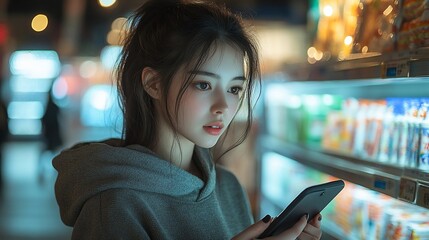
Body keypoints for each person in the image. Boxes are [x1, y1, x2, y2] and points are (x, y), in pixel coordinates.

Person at [53, 1, 323, 239]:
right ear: (153, 83)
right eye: (204, 85)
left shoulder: (228, 187)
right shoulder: (113, 204)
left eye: (234, 89)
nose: (223, 106)